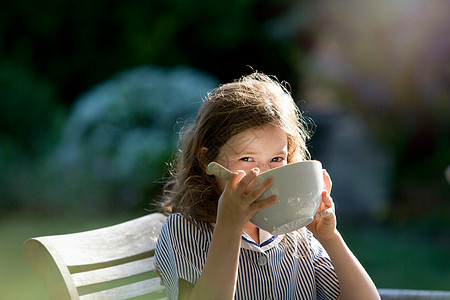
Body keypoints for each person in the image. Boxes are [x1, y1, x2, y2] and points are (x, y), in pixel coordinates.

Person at [154, 72, 380, 300]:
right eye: (247, 159)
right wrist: (229, 228)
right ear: (206, 160)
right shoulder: (182, 231)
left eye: (276, 159)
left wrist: (329, 237)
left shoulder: (297, 234)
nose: (265, 175)